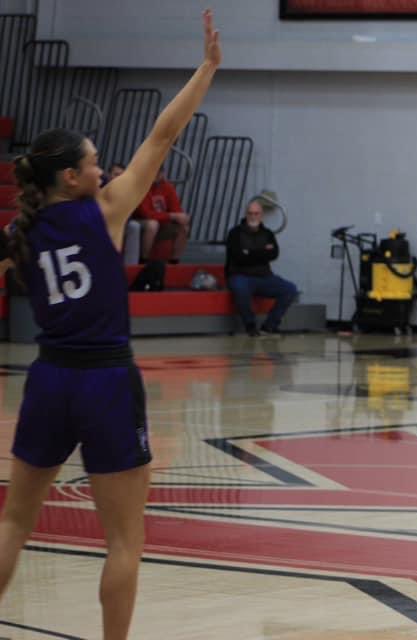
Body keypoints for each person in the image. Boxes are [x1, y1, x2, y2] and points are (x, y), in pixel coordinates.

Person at [0, 11, 220, 639]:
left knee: (14, 522)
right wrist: (206, 69)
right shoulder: (107, 210)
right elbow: (164, 134)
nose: (105, 168)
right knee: (124, 541)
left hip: (47, 381)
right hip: (105, 383)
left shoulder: (23, 230)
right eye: (95, 162)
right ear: (72, 176)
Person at [225, 197, 298, 337]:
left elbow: (274, 254)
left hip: (264, 276)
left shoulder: (268, 233)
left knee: (290, 289)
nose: (253, 216)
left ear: (261, 215)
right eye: (250, 213)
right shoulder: (234, 233)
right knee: (240, 288)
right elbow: (239, 257)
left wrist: (249, 252)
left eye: (256, 213)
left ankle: (270, 326)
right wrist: (263, 251)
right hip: (240, 275)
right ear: (246, 214)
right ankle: (250, 325)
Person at [133, 167, 190, 263]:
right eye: (154, 171)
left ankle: (174, 262)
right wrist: (172, 216)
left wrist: (181, 217)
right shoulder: (140, 187)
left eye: (159, 172)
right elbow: (145, 213)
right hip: (140, 221)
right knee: (152, 225)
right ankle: (143, 260)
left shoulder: (167, 187)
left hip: (162, 222)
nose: (156, 175)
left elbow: (176, 210)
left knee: (184, 226)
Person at [104, 163, 141, 265]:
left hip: (119, 223)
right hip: (101, 222)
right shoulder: (100, 187)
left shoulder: (127, 192)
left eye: (121, 176)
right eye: (116, 174)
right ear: (108, 175)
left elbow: (128, 214)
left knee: (134, 227)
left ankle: (130, 267)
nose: (118, 178)